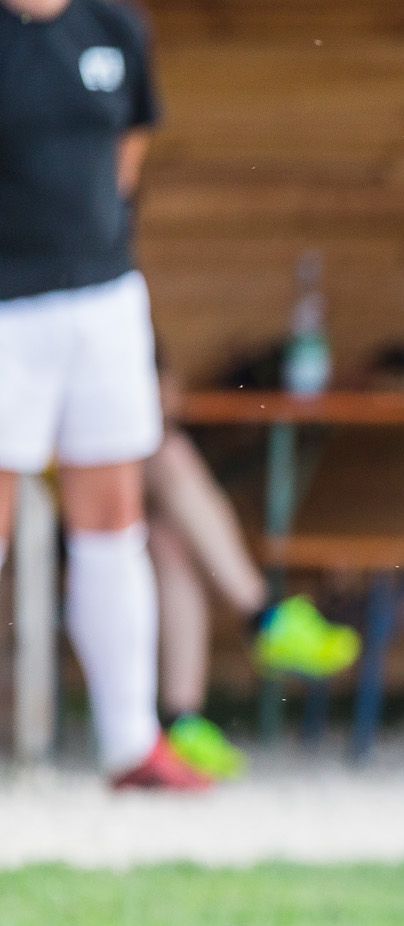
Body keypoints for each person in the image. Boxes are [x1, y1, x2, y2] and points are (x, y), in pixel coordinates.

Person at [0, 0, 211, 787]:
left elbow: (128, 151)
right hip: (5, 306)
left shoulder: (115, 25)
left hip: (103, 299)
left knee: (114, 519)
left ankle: (130, 743)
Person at [145, 364, 362, 778]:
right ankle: (263, 617)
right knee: (170, 454)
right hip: (63, 502)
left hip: (122, 496)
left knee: (168, 540)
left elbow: (167, 391)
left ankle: (180, 721)